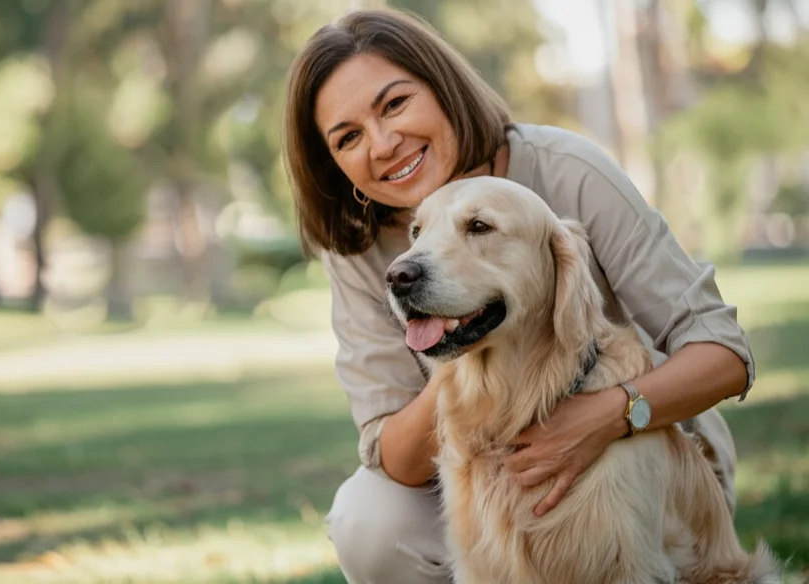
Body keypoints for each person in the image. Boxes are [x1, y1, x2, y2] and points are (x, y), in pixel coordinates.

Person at [281, 8, 755, 584]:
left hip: (644, 447)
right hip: (474, 463)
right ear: (334, 162)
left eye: (395, 104)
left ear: (444, 91)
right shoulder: (360, 250)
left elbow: (725, 354)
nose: (382, 144)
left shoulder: (568, 171)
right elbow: (398, 457)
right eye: (348, 137)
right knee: (368, 520)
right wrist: (461, 364)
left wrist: (610, 415)